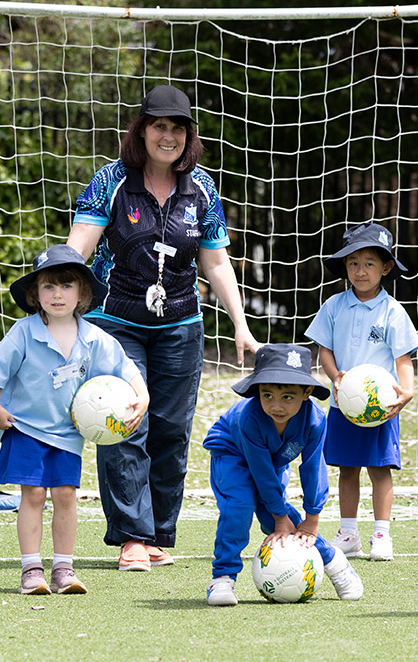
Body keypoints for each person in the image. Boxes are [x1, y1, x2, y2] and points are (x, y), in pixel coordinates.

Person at [67, 83, 259, 572]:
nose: (168, 136)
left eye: (177, 128)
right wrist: (58, 309)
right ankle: (131, 537)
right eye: (159, 126)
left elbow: (215, 263)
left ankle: (157, 534)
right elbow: (79, 248)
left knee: (172, 431)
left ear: (187, 136)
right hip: (115, 321)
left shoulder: (204, 188)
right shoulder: (111, 179)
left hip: (181, 325)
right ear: (143, 130)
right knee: (125, 420)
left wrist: (240, 324)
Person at [0, 244, 149, 595]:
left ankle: (63, 568)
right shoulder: (23, 333)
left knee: (65, 495)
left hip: (67, 434)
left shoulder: (94, 338)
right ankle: (31, 569)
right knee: (32, 496)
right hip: (25, 427)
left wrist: (142, 396)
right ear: (35, 294)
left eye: (67, 286)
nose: (57, 294)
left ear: (83, 293)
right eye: (48, 286)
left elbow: (127, 370)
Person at [203, 343, 364, 606]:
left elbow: (314, 468)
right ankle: (222, 578)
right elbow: (261, 472)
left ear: (307, 392)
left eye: (287, 397)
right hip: (232, 454)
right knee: (240, 507)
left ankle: (335, 563)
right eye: (267, 395)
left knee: (282, 523)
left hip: (271, 461)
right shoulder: (250, 419)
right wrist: (279, 515)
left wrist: (312, 518)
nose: (276, 406)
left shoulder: (315, 420)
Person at [305, 222, 417, 561]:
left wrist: (407, 391)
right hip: (344, 406)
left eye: (369, 263)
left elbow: (403, 358)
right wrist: (335, 375)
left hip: (380, 408)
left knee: (380, 469)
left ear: (385, 268)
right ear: (345, 267)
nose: (361, 270)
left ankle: (381, 533)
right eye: (353, 263)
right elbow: (324, 348)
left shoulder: (393, 312)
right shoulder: (334, 306)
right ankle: (349, 532)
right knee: (346, 468)